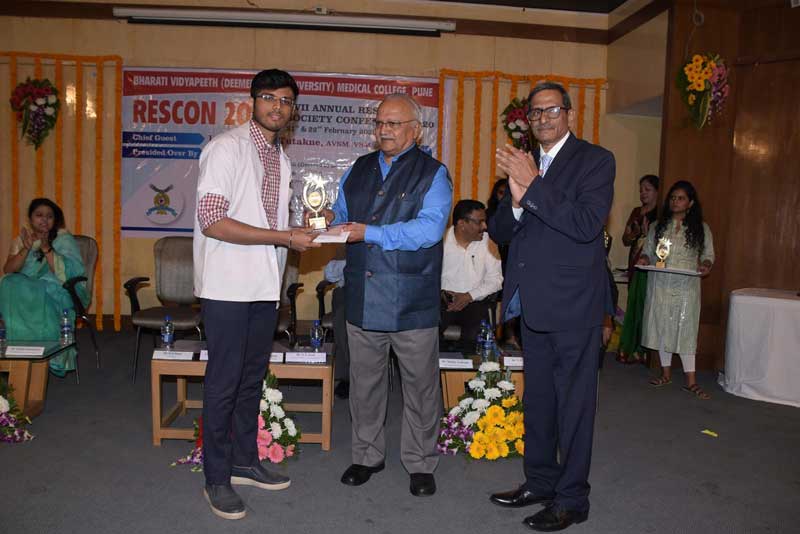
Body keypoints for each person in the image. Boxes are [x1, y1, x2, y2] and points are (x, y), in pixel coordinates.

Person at [193, 69, 319, 520]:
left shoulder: (281, 158)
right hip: (227, 285)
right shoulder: (225, 148)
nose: (277, 107)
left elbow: (269, 223)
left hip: (264, 286)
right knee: (223, 382)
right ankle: (216, 477)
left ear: (292, 110)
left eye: (286, 101)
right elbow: (213, 220)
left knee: (251, 380)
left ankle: (244, 461)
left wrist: (300, 230)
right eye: (269, 97)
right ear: (252, 101)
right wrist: (284, 237)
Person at [489, 81, 615, 532]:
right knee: (539, 401)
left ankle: (572, 499)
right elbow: (500, 231)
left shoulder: (595, 160)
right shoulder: (526, 163)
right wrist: (516, 202)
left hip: (575, 306)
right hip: (532, 304)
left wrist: (533, 185)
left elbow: (585, 225)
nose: (543, 119)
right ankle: (540, 482)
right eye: (535, 113)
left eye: (552, 110)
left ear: (570, 114)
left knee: (574, 407)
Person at [323, 93, 452, 497]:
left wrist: (370, 233)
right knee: (364, 384)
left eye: (394, 123)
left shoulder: (434, 173)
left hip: (412, 299)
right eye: (379, 123)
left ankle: (420, 462)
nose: (384, 130)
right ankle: (366, 455)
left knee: (420, 387)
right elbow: (342, 214)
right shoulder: (358, 169)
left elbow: (429, 230)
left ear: (416, 130)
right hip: (362, 293)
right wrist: (327, 219)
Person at [639, 180, 714, 399]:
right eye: (672, 197)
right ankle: (665, 374)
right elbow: (648, 252)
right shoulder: (657, 226)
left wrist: (705, 265)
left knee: (686, 330)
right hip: (661, 284)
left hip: (686, 287)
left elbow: (708, 255)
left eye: (681, 198)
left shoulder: (701, 228)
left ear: (690, 203)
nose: (675, 201)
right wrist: (644, 259)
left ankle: (691, 382)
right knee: (662, 326)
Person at [0, 198, 88, 377]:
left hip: (57, 292)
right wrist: (26, 248)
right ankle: (19, 352)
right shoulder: (21, 240)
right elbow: (8, 270)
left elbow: (68, 274)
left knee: (32, 291)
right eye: (39, 215)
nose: (44, 220)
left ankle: (44, 352)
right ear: (30, 218)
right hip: (26, 291)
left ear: (55, 220)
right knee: (9, 282)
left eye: (49, 216)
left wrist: (46, 247)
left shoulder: (63, 240)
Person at [440, 199, 503, 347]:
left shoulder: (488, 241)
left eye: (485, 221)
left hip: (475, 301)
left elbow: (496, 280)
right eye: (479, 222)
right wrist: (441, 293)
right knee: (428, 331)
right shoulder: (439, 241)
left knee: (476, 335)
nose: (485, 226)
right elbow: (427, 276)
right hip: (442, 302)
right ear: (462, 224)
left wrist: (469, 296)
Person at [617, 174, 659, 364]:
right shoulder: (636, 212)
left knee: (647, 306)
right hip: (635, 262)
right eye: (641, 190)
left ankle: (645, 351)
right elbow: (625, 240)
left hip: (652, 265)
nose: (643, 193)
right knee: (633, 304)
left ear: (657, 192)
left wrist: (648, 234)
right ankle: (631, 349)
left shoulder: (660, 213)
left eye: (647, 189)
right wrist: (635, 233)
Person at [487, 178, 521, 349]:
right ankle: (505, 337)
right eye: (500, 193)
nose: (502, 196)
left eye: (505, 192)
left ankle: (514, 336)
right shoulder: (490, 214)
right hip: (496, 256)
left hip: (513, 256)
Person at [322, 246, 349, 399]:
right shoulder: (345, 247)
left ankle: (356, 375)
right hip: (346, 292)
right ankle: (347, 377)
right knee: (341, 320)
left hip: (374, 292)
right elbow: (329, 274)